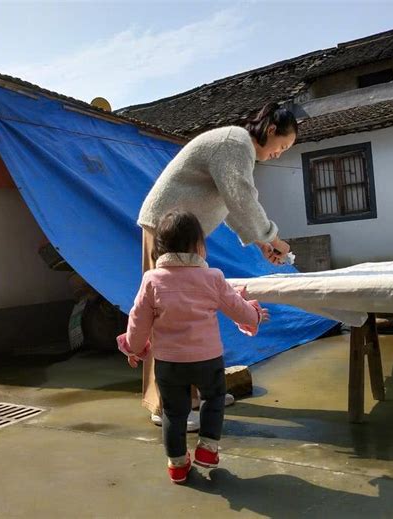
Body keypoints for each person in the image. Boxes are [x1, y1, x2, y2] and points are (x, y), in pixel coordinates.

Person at [138, 102, 298, 429]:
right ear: (270, 131)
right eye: (282, 145)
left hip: (186, 235)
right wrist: (273, 236)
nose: (280, 154)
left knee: (193, 316)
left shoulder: (236, 149)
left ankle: (199, 396)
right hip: (166, 230)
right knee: (168, 315)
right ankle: (167, 406)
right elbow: (240, 197)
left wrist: (263, 242)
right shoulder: (235, 142)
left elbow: (231, 204)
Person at [117, 211, 268, 484]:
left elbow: (137, 321)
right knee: (213, 399)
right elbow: (237, 309)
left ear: (161, 246)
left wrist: (134, 348)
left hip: (168, 362)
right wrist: (254, 315)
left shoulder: (152, 280)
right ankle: (208, 449)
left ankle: (177, 465)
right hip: (207, 359)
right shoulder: (212, 277)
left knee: (173, 413)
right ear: (199, 245)